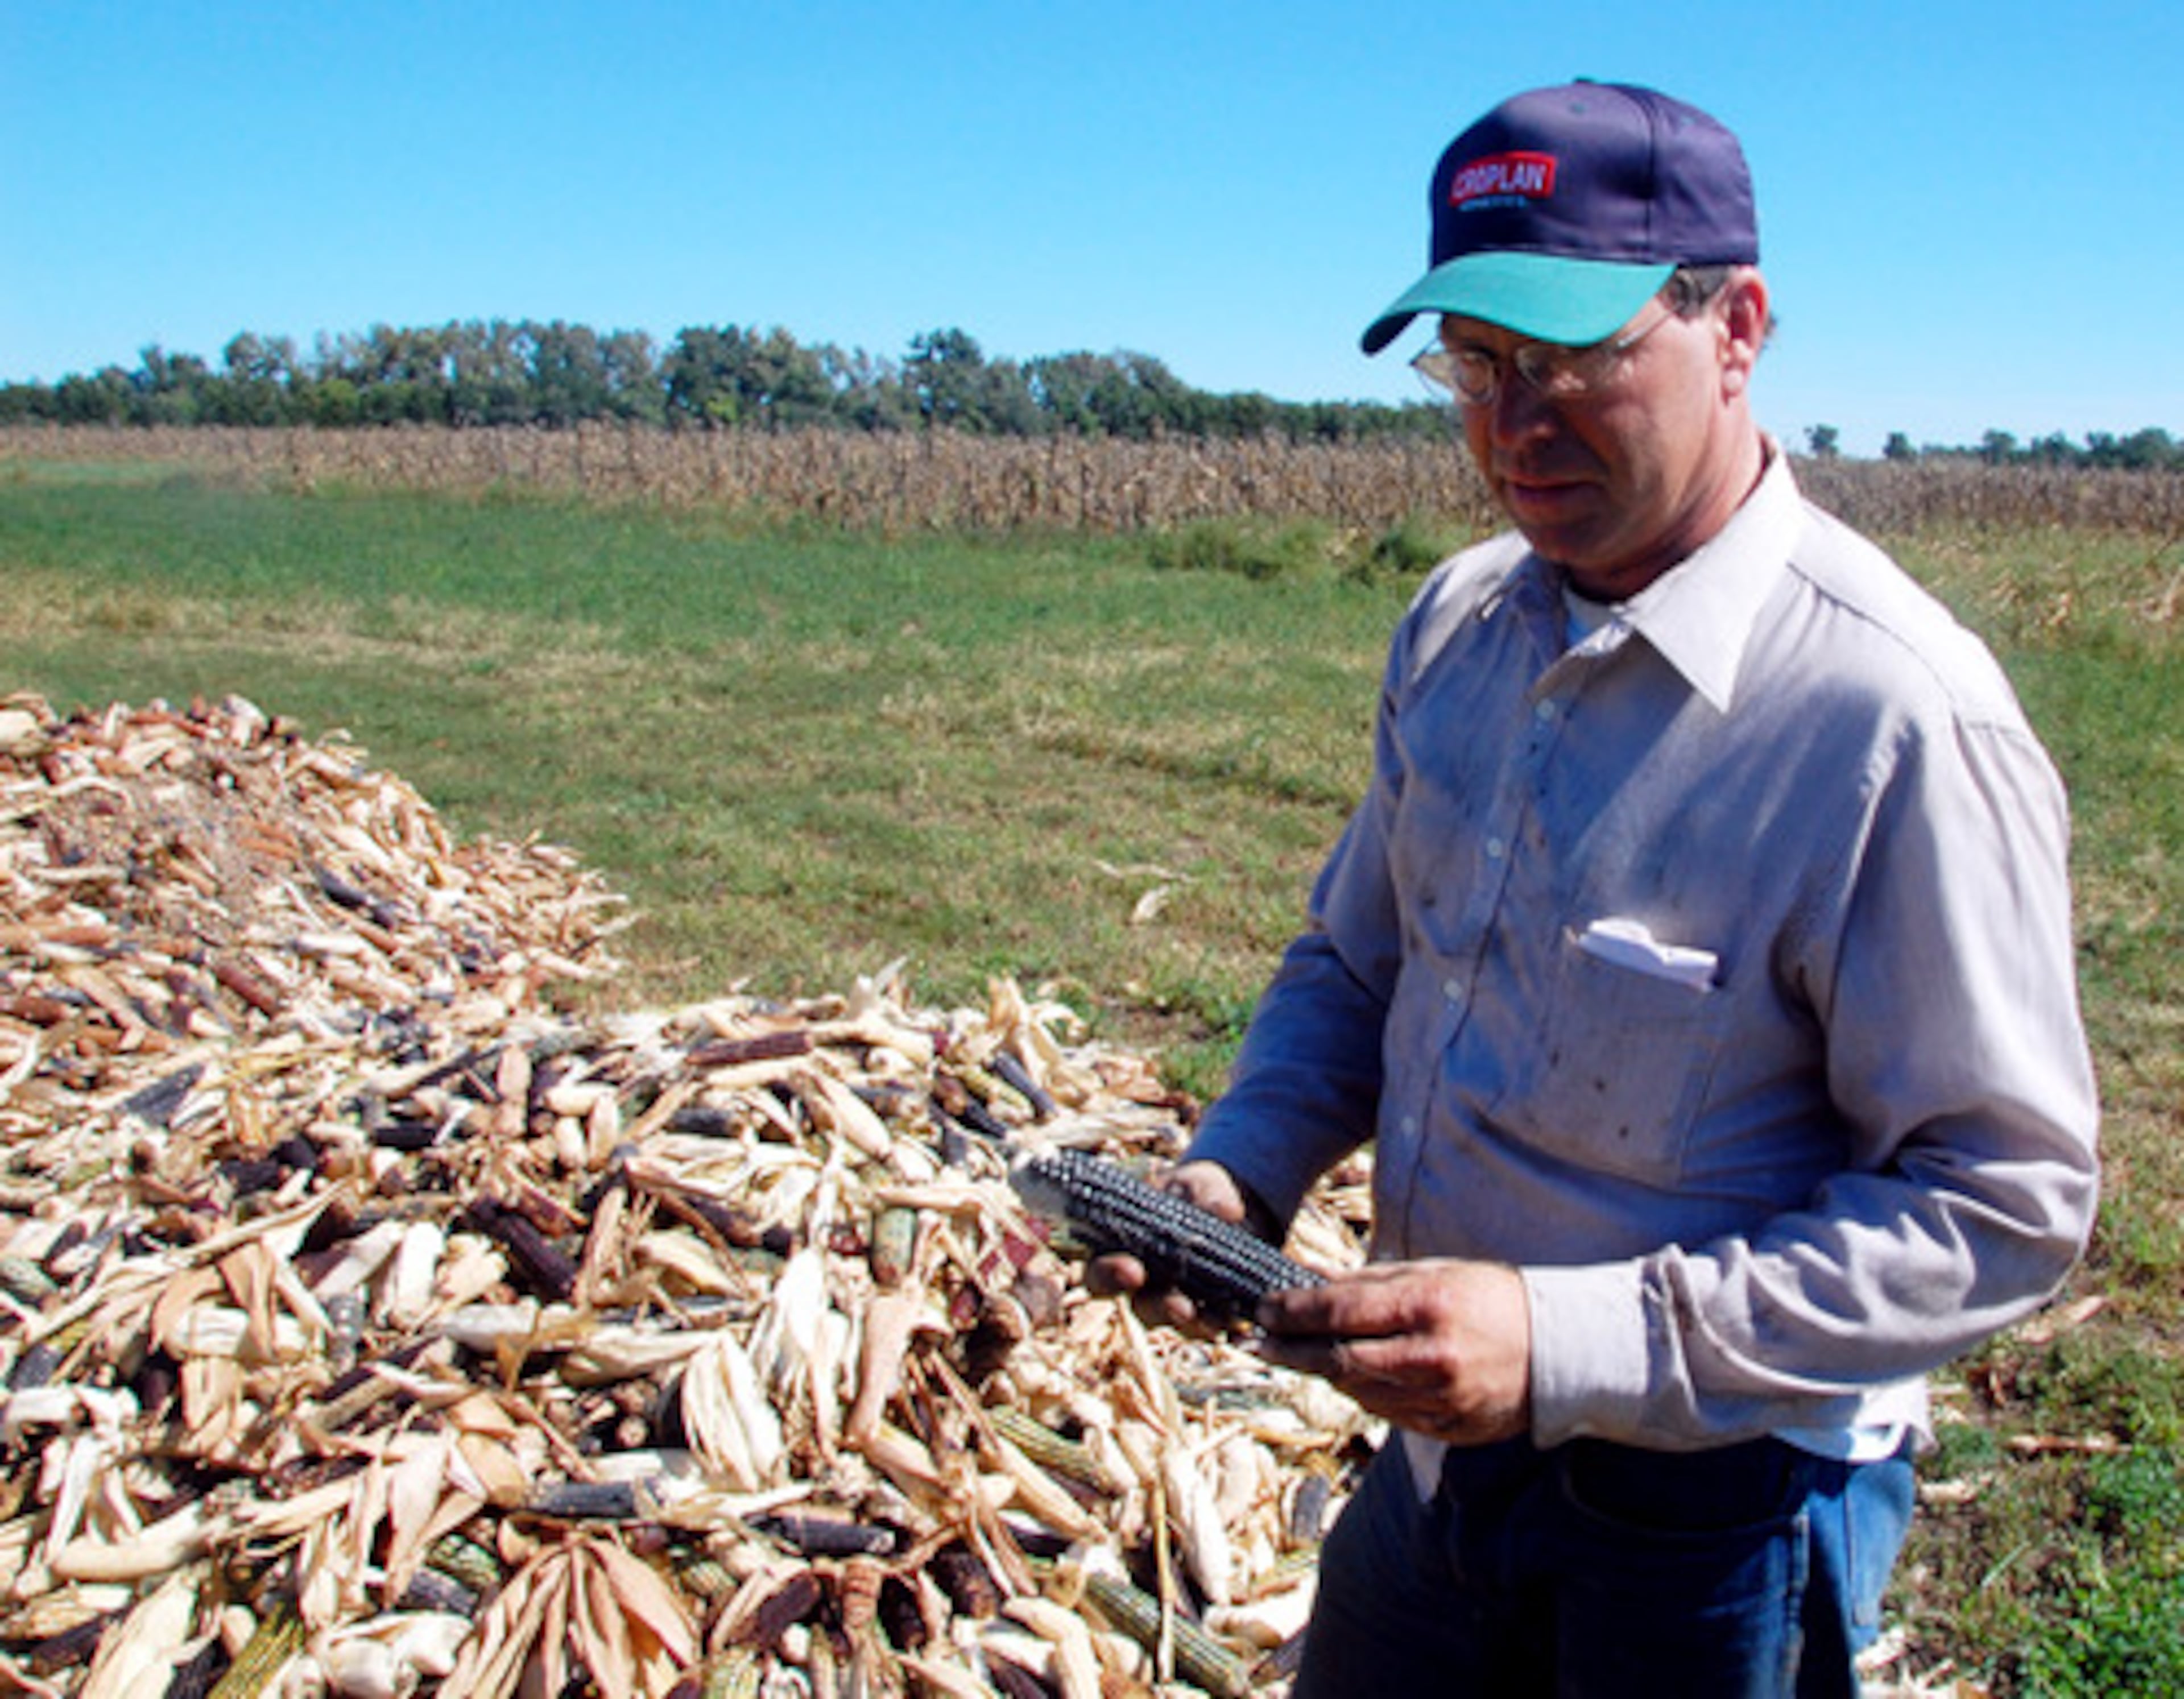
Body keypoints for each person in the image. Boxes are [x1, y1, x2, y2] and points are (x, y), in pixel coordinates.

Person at [1094, 80, 2100, 1696]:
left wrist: (1569, 1347)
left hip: (1716, 1518)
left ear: (1739, 326)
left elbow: (2004, 1199)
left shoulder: (1892, 718)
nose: (1512, 422)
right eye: (1476, 364)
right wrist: (1241, 1167)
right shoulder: (1459, 624)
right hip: (1434, 1474)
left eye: (1572, 357)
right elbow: (1360, 960)